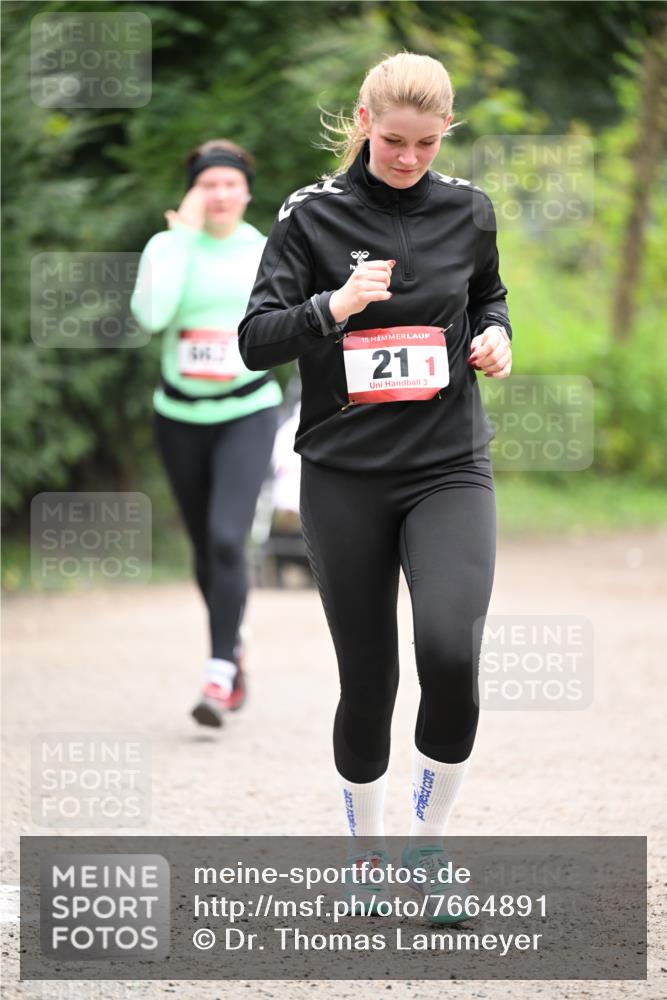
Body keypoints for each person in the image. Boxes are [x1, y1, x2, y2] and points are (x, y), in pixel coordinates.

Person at [238, 52, 512, 919]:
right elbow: (256, 339)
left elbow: (490, 295)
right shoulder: (310, 217)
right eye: (393, 140)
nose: (407, 157)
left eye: (427, 143)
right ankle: (366, 855)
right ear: (363, 120)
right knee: (370, 678)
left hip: (446, 469)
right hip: (345, 476)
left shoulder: (468, 209)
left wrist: (497, 337)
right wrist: (334, 308)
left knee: (450, 651)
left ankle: (428, 852)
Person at [131, 139, 282, 728]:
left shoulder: (267, 249)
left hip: (247, 411)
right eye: (208, 184)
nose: (220, 194)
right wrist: (179, 238)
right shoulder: (169, 247)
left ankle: (219, 671)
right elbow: (153, 316)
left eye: (230, 184)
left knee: (226, 538)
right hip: (179, 416)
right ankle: (233, 645)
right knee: (204, 547)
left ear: (247, 190)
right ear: (194, 192)